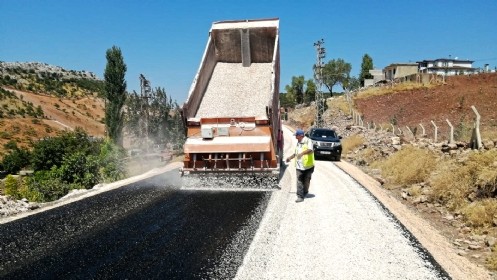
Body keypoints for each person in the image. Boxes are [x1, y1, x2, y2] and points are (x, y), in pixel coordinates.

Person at [285, 129, 315, 203]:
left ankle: (305, 191)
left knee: (307, 180)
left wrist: (302, 153)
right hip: (299, 166)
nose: (296, 137)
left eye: (297, 136)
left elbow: (310, 150)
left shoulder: (308, 141)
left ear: (301, 135)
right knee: (299, 181)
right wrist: (290, 158)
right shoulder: (298, 143)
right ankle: (300, 196)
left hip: (308, 166)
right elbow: (296, 153)